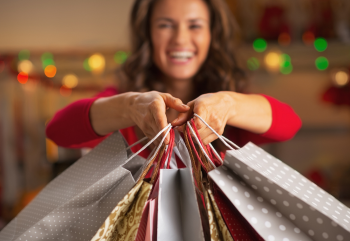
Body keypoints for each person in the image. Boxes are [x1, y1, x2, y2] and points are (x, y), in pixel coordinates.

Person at [46, 0, 301, 158]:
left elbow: (289, 123)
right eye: (165, 25)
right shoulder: (121, 103)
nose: (180, 39)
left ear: (212, 34)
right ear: (148, 34)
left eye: (195, 25)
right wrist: (129, 107)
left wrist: (229, 104)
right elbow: (58, 130)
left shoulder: (232, 108)